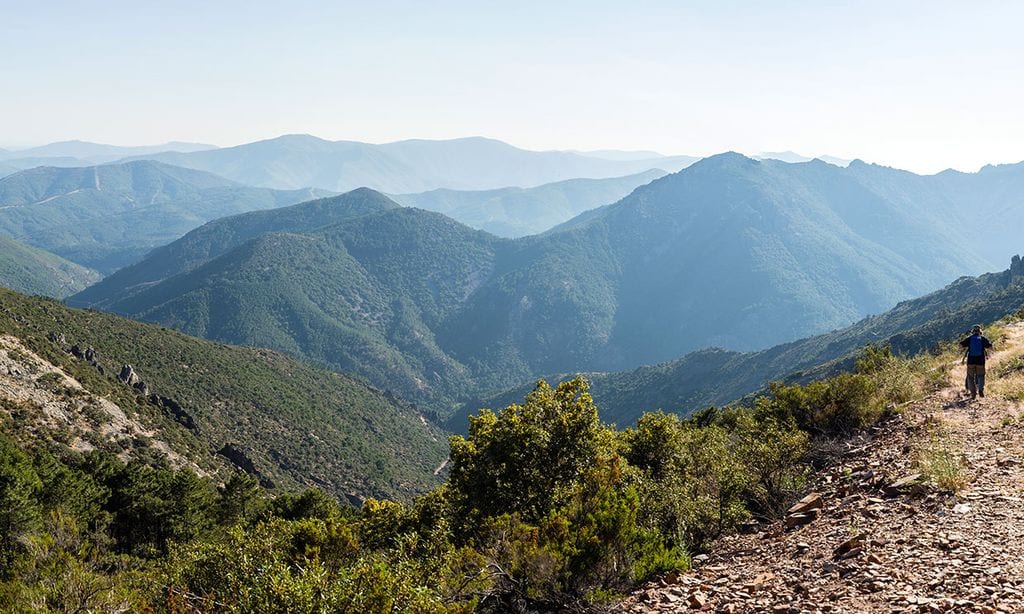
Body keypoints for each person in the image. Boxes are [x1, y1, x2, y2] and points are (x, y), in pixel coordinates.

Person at [959, 325, 993, 399]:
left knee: (970, 377)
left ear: (973, 331)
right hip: (980, 361)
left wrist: (967, 347)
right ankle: (980, 389)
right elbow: (990, 347)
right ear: (980, 331)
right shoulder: (982, 338)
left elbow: (960, 345)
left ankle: (973, 394)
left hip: (971, 361)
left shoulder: (970, 338)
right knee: (981, 375)